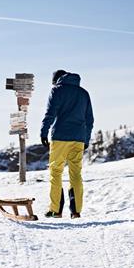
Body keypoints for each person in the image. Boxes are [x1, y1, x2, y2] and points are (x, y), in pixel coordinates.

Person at [40, 70, 94, 219]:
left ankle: (55, 210)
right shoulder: (84, 93)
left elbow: (50, 113)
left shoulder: (57, 90)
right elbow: (89, 119)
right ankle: (76, 211)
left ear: (56, 80)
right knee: (76, 173)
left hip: (60, 137)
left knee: (56, 172)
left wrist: (44, 132)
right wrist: (86, 139)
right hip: (78, 138)